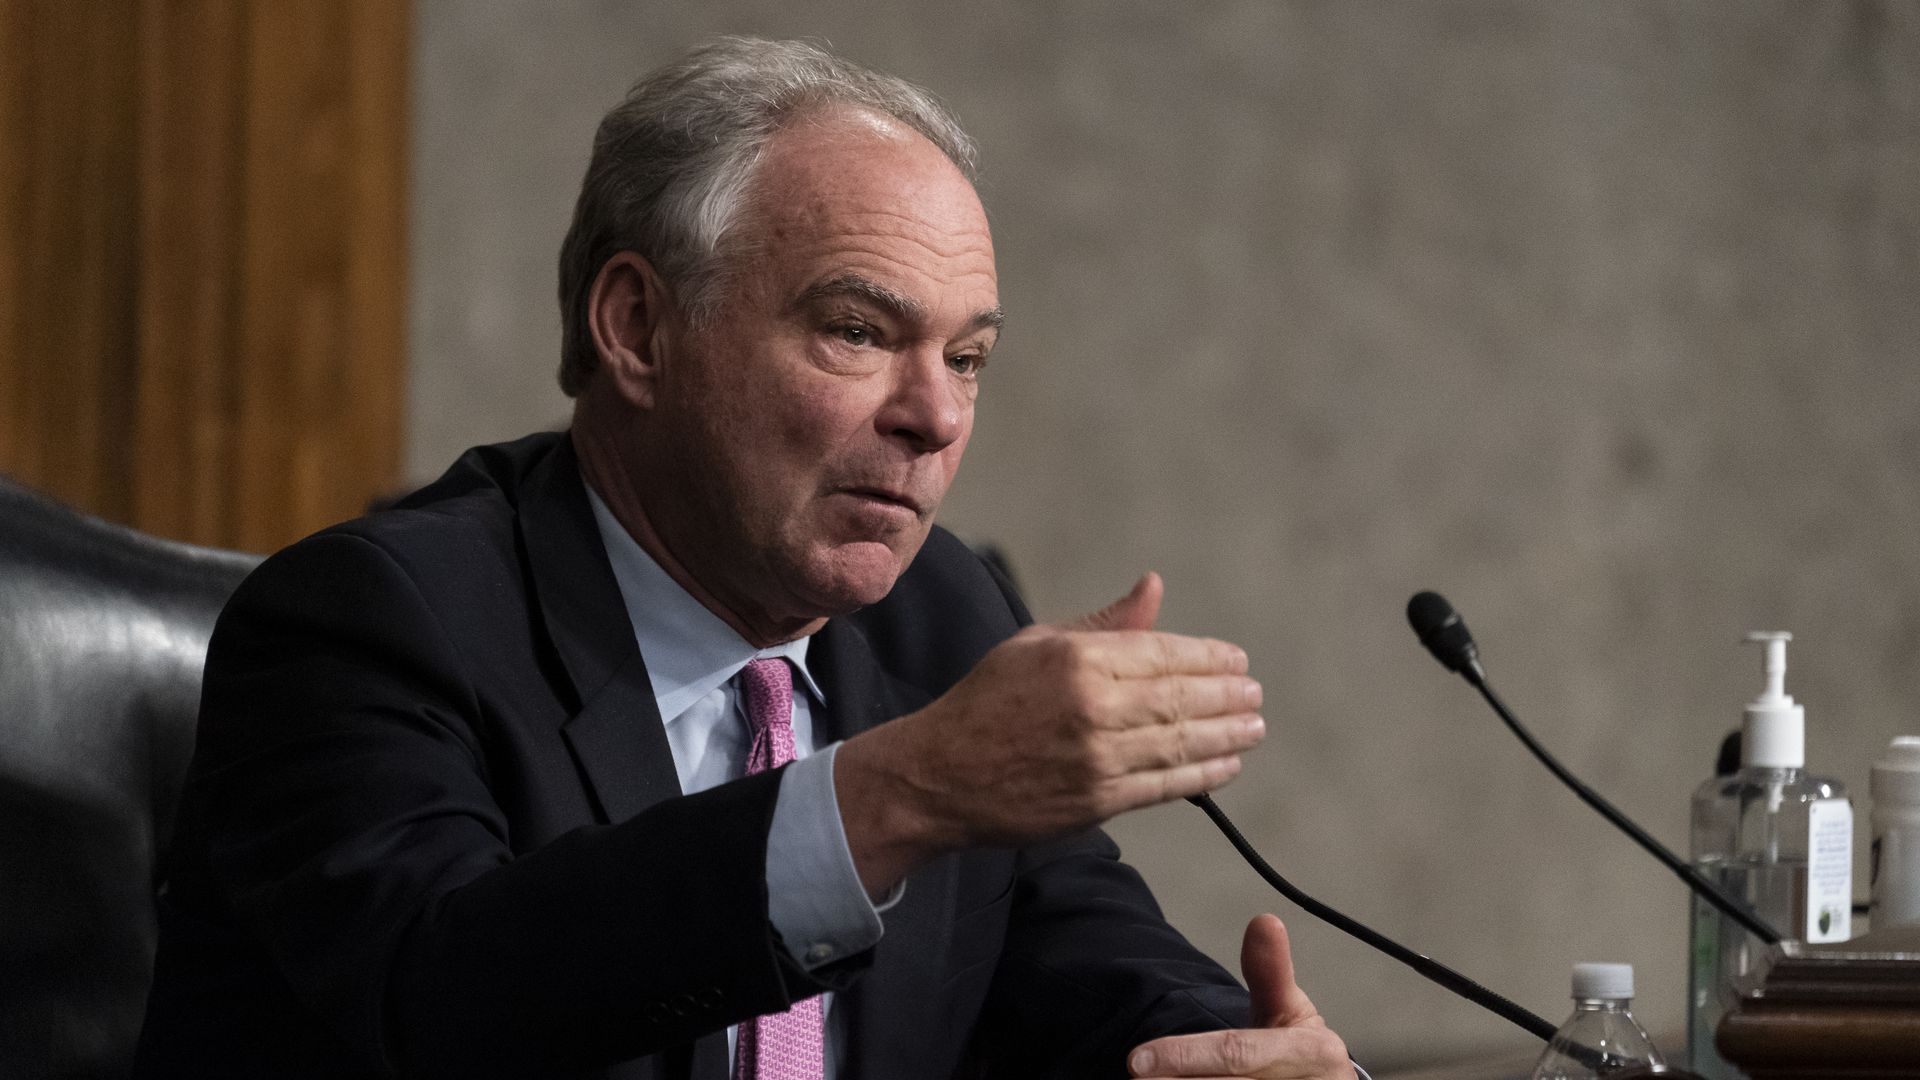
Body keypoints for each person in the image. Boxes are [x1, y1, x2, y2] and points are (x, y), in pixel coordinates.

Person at [133, 37, 1361, 1080]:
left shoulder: (942, 615)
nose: (935, 417)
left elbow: (1084, 956)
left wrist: (1227, 1054)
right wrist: (895, 795)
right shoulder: (373, 622)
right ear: (638, 327)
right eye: (857, 331)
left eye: (967, 359)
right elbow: (442, 997)